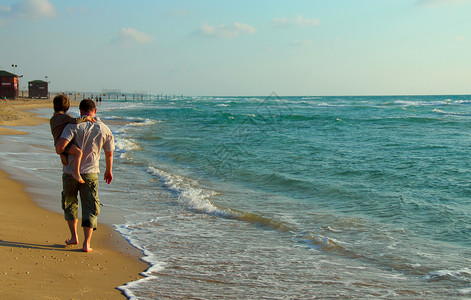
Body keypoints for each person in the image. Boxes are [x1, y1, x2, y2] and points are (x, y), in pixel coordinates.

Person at [55, 99, 114, 252]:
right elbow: (109, 154)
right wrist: (109, 170)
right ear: (95, 111)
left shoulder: (72, 125)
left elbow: (60, 146)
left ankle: (74, 236)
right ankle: (86, 244)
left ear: (80, 110)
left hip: (70, 172)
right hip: (91, 172)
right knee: (90, 206)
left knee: (70, 203)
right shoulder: (104, 128)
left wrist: (66, 154)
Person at [50, 94, 95, 184]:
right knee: (78, 152)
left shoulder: (53, 118)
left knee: (63, 151)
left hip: (56, 142)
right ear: (67, 107)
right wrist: (87, 118)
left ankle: (63, 155)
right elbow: (75, 121)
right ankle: (76, 172)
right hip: (63, 143)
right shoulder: (65, 117)